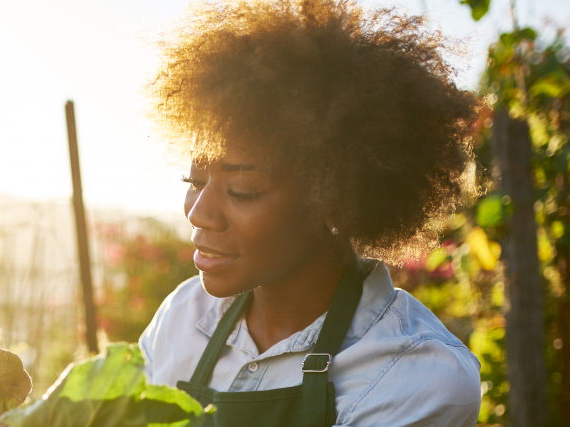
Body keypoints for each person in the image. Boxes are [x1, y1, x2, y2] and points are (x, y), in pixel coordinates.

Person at [137, 0, 483, 426]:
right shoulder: (182, 317)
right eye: (194, 182)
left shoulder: (416, 376)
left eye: (242, 190)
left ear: (336, 198)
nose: (199, 213)